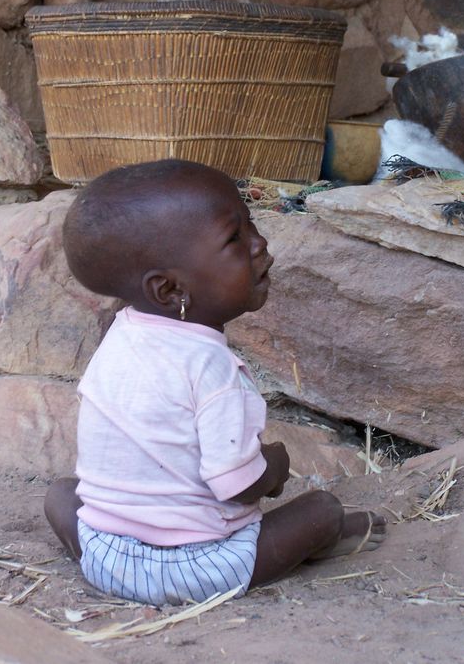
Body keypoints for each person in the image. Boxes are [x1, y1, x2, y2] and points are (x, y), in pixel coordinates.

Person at [45, 159, 386, 606]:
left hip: (106, 555)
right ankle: (323, 540)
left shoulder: (121, 337)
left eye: (252, 224)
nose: (259, 244)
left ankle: (115, 570)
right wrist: (276, 466)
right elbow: (237, 485)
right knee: (323, 511)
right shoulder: (213, 370)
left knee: (61, 495)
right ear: (170, 291)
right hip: (197, 568)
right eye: (234, 238)